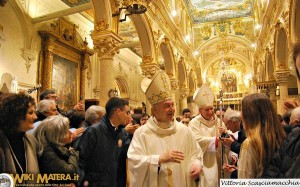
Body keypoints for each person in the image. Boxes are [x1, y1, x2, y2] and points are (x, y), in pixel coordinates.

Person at [128, 70, 203, 187]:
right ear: (155, 110)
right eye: (167, 106)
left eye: (172, 105)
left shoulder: (184, 130)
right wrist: (158, 159)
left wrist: (196, 164)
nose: (172, 109)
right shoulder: (142, 133)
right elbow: (134, 161)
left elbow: (196, 153)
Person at [76, 97, 129, 186]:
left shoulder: (122, 133)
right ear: (118, 112)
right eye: (127, 112)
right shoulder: (93, 131)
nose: (128, 116)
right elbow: (80, 161)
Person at [188, 84, 229, 187]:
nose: (210, 112)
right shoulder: (194, 123)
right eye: (207, 110)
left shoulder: (218, 122)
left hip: (218, 158)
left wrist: (224, 133)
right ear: (200, 110)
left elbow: (226, 139)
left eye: (211, 109)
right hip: (203, 161)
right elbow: (195, 140)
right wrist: (215, 140)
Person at [238, 93, 286, 178]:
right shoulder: (281, 136)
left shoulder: (250, 143)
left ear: (250, 116)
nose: (240, 115)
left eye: (242, 111)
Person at [0, 93, 39, 181]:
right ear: (16, 115)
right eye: (30, 112)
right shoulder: (2, 141)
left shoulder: (31, 140)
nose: (35, 117)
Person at [34, 115, 79, 184]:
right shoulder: (47, 152)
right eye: (66, 131)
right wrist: (73, 152)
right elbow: (70, 172)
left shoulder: (50, 144)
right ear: (57, 136)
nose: (71, 133)